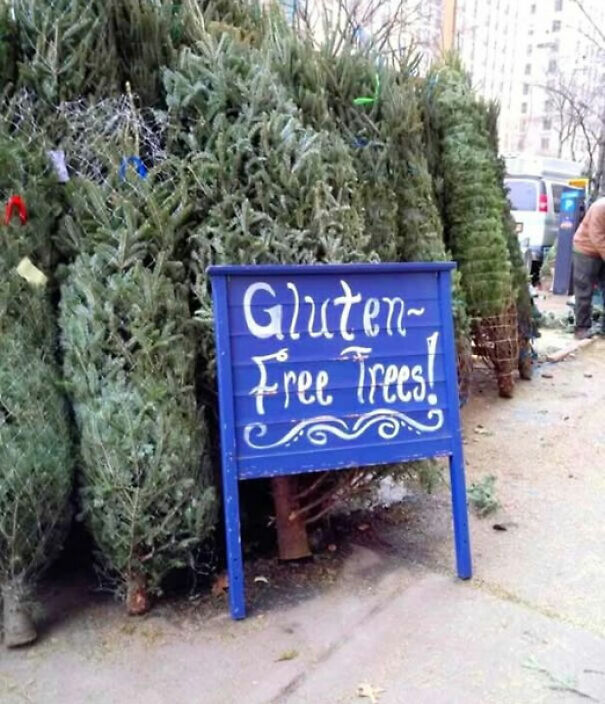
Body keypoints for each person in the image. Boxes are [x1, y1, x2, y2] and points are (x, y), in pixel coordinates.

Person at [572, 196, 605, 339]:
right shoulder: (600, 208)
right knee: (584, 290)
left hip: (601, 251)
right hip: (585, 250)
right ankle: (582, 327)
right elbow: (597, 237)